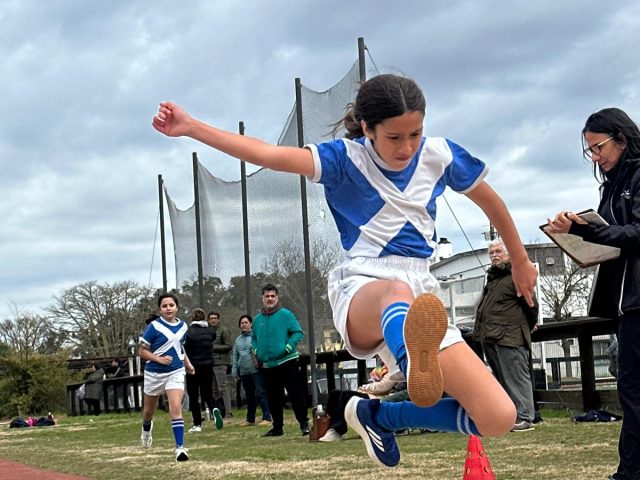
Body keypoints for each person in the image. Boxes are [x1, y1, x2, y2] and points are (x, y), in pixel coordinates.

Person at [152, 73, 537, 466]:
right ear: (367, 129)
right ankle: (412, 366)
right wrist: (191, 127)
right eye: (394, 137)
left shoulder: (440, 155)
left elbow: (492, 203)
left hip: (422, 293)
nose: (406, 147)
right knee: (395, 292)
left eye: (415, 134)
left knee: (498, 416)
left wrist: (521, 261)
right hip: (365, 284)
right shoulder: (343, 159)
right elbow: (266, 154)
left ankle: (376, 416)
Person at [546, 108, 640, 480]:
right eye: (590, 151)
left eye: (598, 148)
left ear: (622, 139)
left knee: (634, 392)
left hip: (637, 300)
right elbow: (609, 234)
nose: (595, 157)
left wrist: (585, 231)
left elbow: (636, 233)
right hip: (624, 301)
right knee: (631, 392)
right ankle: (629, 471)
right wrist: (576, 231)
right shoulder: (611, 185)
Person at [473, 239, 538, 432]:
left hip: (510, 336)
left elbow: (531, 305)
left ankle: (525, 416)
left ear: (509, 254)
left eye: (498, 251)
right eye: (492, 252)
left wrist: (527, 326)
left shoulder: (516, 276)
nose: (494, 255)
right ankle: (510, 416)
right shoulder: (493, 279)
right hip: (490, 336)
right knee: (502, 379)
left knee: (516, 377)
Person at [138, 293, 195, 462]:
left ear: (177, 307)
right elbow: (142, 351)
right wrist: (159, 359)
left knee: (175, 406)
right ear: (160, 309)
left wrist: (187, 364)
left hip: (175, 371)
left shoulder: (183, 326)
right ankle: (146, 429)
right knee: (148, 411)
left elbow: (180, 348)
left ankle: (180, 448)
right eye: (164, 306)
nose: (168, 308)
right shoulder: (154, 326)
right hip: (154, 373)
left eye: (171, 305)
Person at [251, 284, 309, 437]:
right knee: (273, 397)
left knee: (295, 394)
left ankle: (304, 424)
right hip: (268, 365)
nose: (270, 299)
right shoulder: (257, 320)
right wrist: (256, 351)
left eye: (272, 296)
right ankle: (277, 428)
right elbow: (253, 338)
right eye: (267, 296)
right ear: (262, 298)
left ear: (277, 298)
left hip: (287, 361)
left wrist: (288, 347)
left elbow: (298, 332)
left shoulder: (286, 314)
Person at [183, 308, 223, 432]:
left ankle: (197, 424)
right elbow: (212, 339)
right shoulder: (210, 331)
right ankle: (214, 409)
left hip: (193, 367)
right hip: (208, 365)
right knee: (207, 393)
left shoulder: (189, 332)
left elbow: (185, 348)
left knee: (194, 396)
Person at [232, 314, 272, 426]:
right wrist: (235, 369)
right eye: (242, 323)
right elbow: (235, 356)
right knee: (249, 396)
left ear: (251, 324)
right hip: (244, 372)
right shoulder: (238, 340)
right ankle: (250, 419)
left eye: (246, 322)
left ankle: (267, 417)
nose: (244, 325)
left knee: (261, 393)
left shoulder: (256, 337)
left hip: (256, 370)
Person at [208, 311, 233, 418]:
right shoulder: (208, 331)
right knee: (214, 390)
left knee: (222, 388)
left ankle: (228, 412)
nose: (213, 320)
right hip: (211, 363)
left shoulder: (224, 330)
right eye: (211, 318)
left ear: (218, 319)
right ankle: (218, 413)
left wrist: (214, 347)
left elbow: (229, 345)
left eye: (215, 318)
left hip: (221, 363)